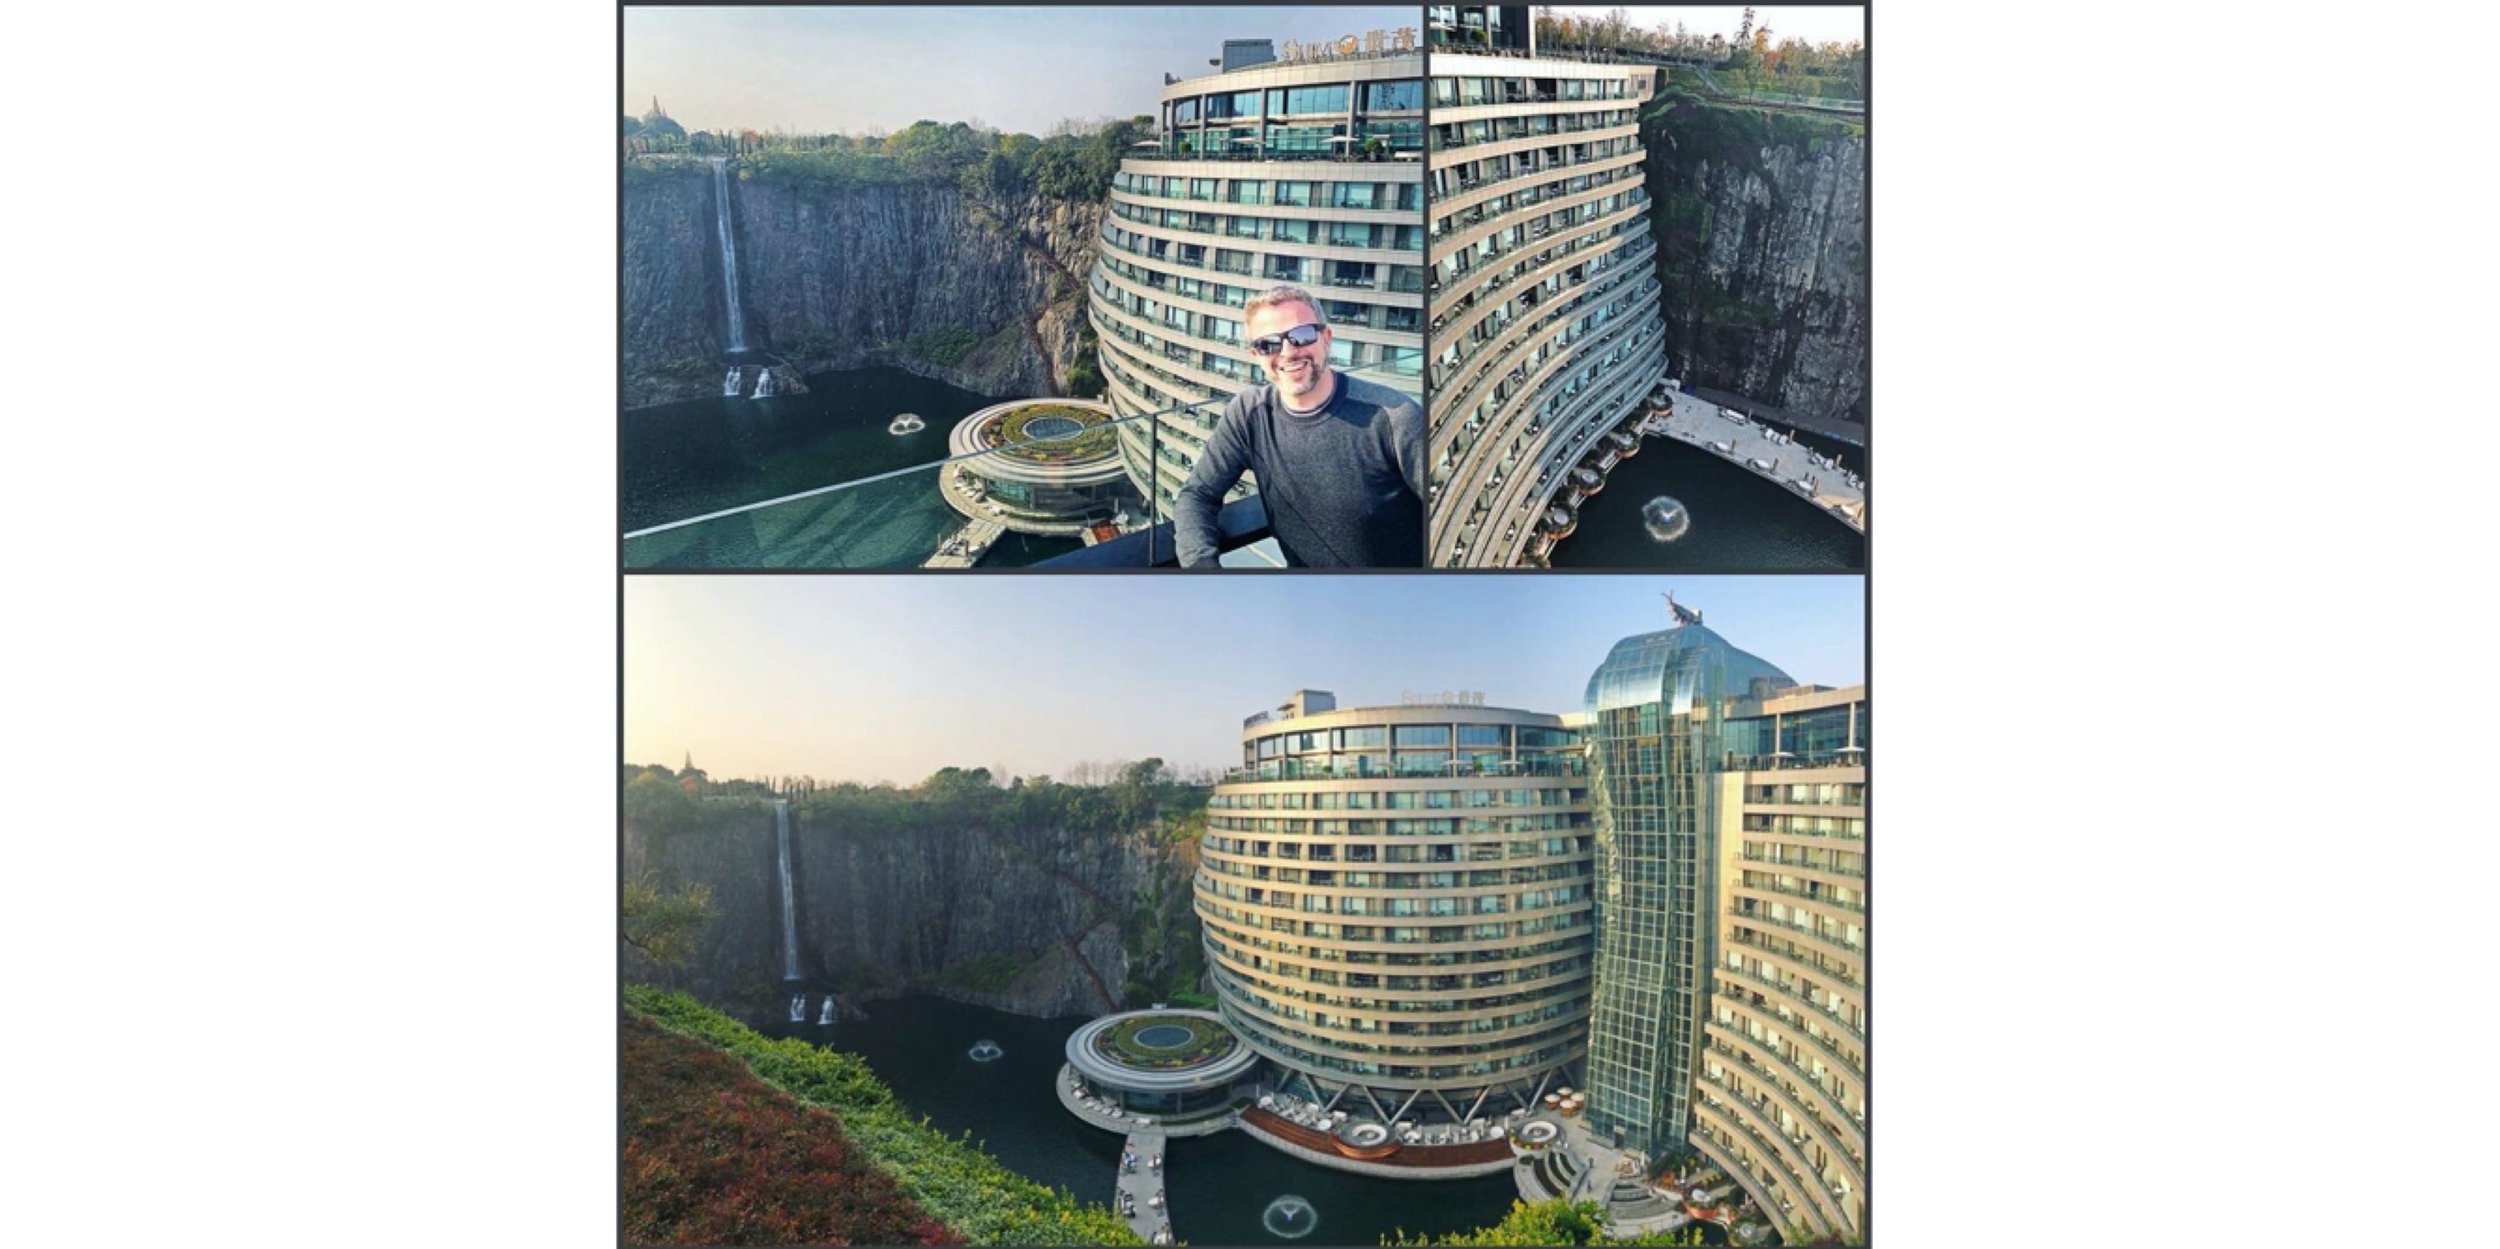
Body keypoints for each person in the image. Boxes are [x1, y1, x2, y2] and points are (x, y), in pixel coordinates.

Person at [1170, 285, 1425, 567]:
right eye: (1269, 344)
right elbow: (1197, 496)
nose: (1288, 353)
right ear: (1256, 355)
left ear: (1325, 338)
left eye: (1301, 336)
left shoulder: (1395, 417)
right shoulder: (1248, 414)